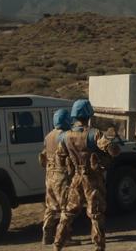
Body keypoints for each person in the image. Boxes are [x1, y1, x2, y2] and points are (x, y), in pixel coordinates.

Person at [53, 99, 121, 251]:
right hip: (93, 179)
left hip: (76, 178)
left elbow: (60, 157)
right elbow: (113, 150)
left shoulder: (64, 136)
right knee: (96, 214)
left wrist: (69, 170)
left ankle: (57, 244)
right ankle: (98, 247)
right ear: (88, 114)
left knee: (68, 212)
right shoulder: (94, 134)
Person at [39, 108, 73, 245]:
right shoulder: (65, 136)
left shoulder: (48, 136)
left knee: (50, 206)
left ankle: (46, 236)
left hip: (49, 175)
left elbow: (42, 157)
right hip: (62, 176)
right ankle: (64, 238)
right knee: (66, 207)